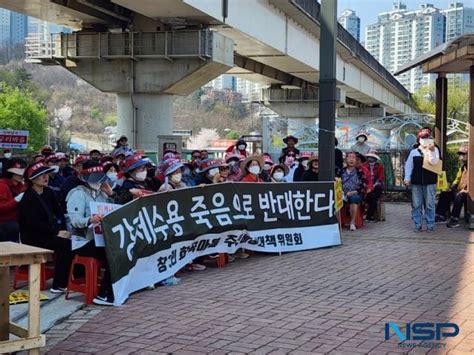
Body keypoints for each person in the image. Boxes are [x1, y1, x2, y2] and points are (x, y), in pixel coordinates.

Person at [66, 160, 116, 305]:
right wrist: (90, 220)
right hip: (83, 241)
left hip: (101, 239)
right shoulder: (77, 194)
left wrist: (110, 194)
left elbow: (112, 211)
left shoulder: (102, 194)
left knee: (118, 251)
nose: (98, 182)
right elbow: (74, 220)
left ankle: (112, 290)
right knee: (111, 254)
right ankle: (104, 294)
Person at [19, 162, 72, 293]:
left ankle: (69, 279)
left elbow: (59, 212)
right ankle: (58, 284)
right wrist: (57, 232)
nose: (46, 177)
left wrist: (64, 230)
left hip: (50, 233)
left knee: (71, 241)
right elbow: (34, 225)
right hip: (34, 237)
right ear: (32, 180)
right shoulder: (28, 198)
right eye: (41, 175)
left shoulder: (49, 192)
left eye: (47, 174)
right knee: (65, 245)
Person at [404, 128, 440, 232]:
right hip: (416, 182)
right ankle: (417, 224)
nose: (425, 139)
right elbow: (409, 166)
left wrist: (431, 151)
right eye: (423, 138)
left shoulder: (435, 149)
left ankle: (430, 224)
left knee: (430, 204)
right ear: (419, 140)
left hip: (430, 181)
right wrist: (407, 178)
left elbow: (434, 162)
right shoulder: (414, 152)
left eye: (427, 137)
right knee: (416, 204)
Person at [436, 145, 469, 228]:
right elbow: (457, 180)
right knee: (445, 193)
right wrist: (451, 188)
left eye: (463, 154)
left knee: (459, 196)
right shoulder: (462, 168)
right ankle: (440, 216)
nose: (461, 156)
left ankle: (454, 219)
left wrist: (467, 190)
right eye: (460, 154)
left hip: (468, 193)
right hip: (460, 191)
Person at [338, 152, 368, 231]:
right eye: (349, 158)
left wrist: (354, 192)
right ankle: (337, 222)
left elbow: (363, 185)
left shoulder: (360, 172)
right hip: (342, 193)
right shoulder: (340, 171)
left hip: (355, 193)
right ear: (346, 160)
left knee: (354, 199)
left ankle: (352, 222)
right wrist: (342, 192)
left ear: (356, 160)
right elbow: (337, 183)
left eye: (353, 158)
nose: (351, 159)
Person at [0, 159, 26, 242]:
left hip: (18, 220)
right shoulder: (2, 186)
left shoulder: (21, 185)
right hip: (4, 223)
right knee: (14, 228)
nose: (21, 175)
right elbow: (1, 209)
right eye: (17, 172)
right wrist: (17, 199)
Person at [362, 151, 385, 221]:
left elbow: (380, 177)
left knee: (377, 189)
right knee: (372, 197)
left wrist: (374, 185)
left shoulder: (380, 166)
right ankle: (369, 215)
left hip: (376, 184)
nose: (370, 158)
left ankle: (370, 214)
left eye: (372, 157)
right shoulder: (364, 165)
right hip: (367, 185)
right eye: (369, 157)